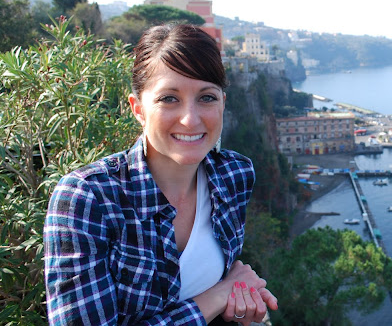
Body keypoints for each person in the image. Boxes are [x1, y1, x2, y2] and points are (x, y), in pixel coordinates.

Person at [44, 24, 277, 325]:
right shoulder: (88, 199)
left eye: (207, 97)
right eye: (169, 98)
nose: (190, 119)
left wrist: (237, 292)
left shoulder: (234, 175)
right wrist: (216, 298)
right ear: (138, 109)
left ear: (223, 103)